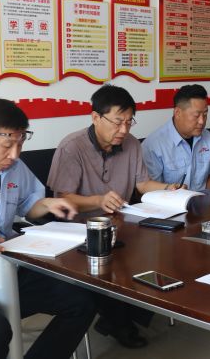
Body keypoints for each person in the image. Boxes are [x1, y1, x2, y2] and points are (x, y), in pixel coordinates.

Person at [47, 84, 181, 348]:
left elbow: (142, 184)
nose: (124, 130)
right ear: (95, 117)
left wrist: (169, 188)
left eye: (129, 122)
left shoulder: (131, 144)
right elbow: (63, 198)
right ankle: (119, 322)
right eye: (118, 122)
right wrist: (98, 200)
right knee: (112, 262)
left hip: (121, 224)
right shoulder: (72, 147)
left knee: (161, 250)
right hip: (80, 230)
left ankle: (119, 316)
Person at [0, 98, 96, 359]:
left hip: (8, 264)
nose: (15, 154)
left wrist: (48, 204)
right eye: (7, 145)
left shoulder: (14, 167)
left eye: (20, 143)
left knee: (82, 302)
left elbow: (28, 205)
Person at [142, 84, 210, 191]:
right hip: (170, 200)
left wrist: (207, 197)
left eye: (205, 114)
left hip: (202, 199)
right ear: (177, 113)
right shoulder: (153, 145)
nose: (202, 121)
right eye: (196, 115)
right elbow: (152, 189)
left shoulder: (207, 136)